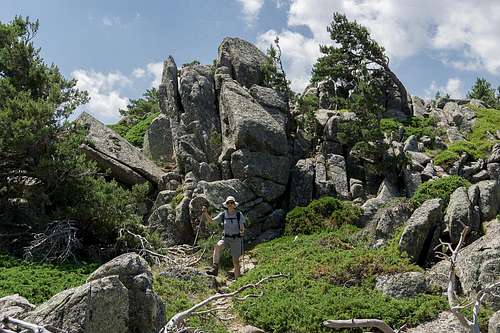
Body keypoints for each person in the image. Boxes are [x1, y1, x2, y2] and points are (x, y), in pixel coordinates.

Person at [202, 196, 245, 278]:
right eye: (228, 203)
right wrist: (205, 213)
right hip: (225, 238)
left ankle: (238, 280)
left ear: (234, 205)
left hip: (236, 239)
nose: (230, 204)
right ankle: (215, 269)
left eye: (231, 202)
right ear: (226, 204)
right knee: (218, 246)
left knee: (235, 262)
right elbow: (211, 221)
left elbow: (242, 227)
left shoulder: (239, 215)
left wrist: (242, 232)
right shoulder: (223, 214)